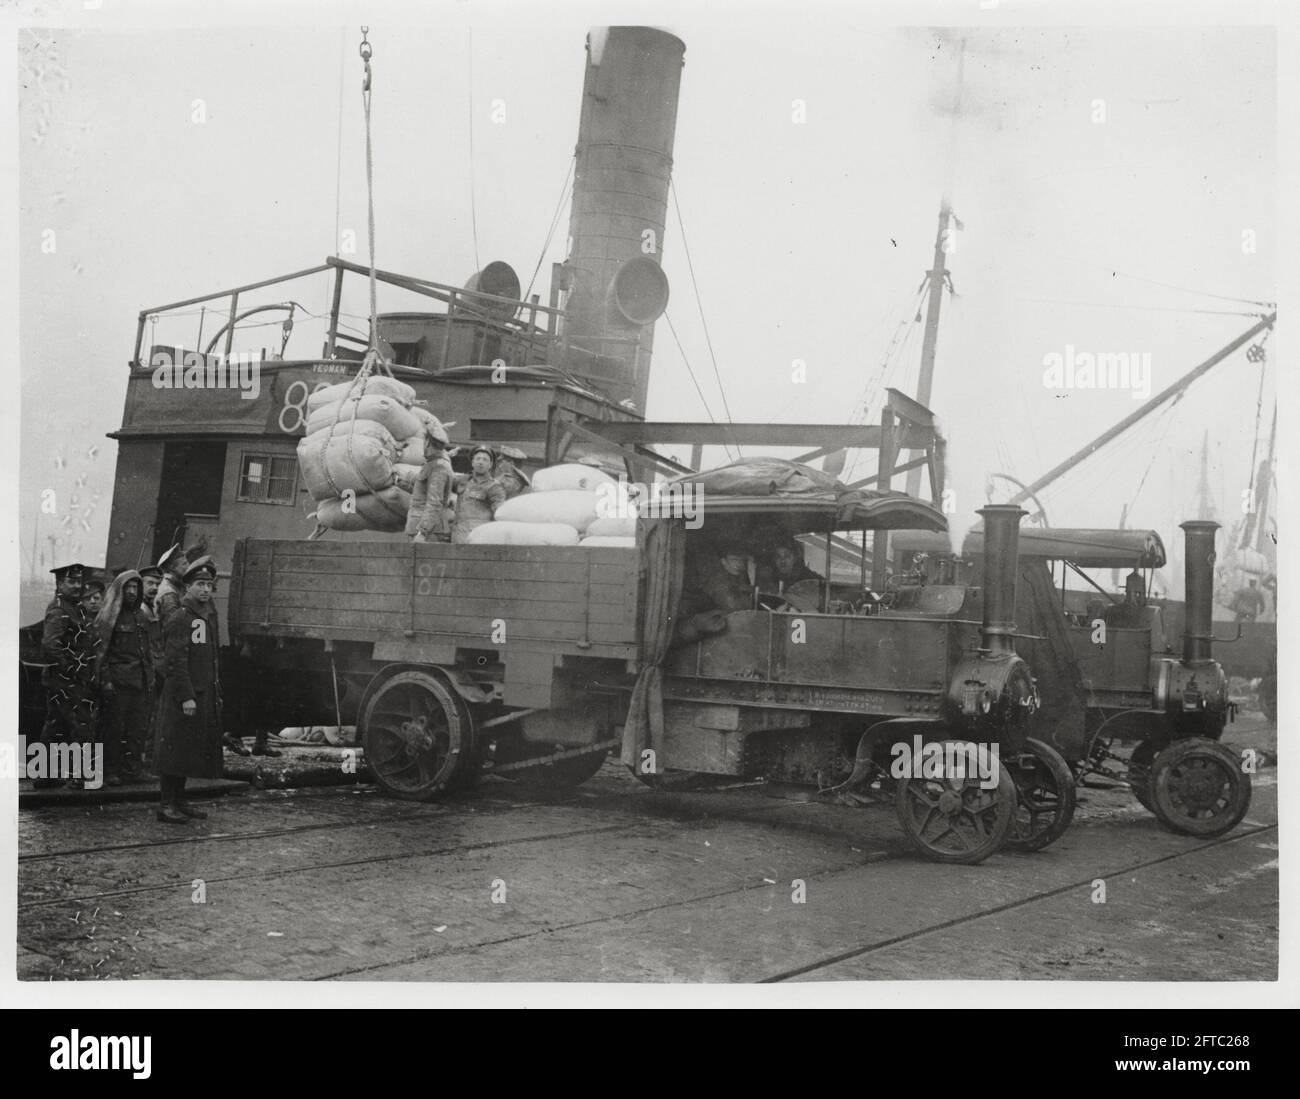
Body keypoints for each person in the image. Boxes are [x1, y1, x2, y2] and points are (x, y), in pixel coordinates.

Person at [154, 558, 224, 823]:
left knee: (187, 750)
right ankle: (166, 804)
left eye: (209, 584)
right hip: (183, 696)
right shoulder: (182, 617)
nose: (206, 589)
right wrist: (186, 696)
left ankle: (179, 800)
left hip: (201, 694)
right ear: (187, 587)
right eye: (200, 584)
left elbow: (210, 658)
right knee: (173, 748)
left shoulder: (204, 616)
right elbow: (175, 660)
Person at [37, 563, 99, 789]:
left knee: (55, 725)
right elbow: (50, 646)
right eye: (71, 582)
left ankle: (46, 775)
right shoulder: (60, 610)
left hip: (63, 680)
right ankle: (80, 777)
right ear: (59, 584)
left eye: (78, 581)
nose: (76, 586)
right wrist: (72, 670)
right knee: (81, 724)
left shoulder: (74, 608)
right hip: (66, 681)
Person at [94, 571, 155, 785]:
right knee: (113, 728)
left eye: (135, 588)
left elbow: (147, 650)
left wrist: (151, 678)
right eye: (127, 587)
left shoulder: (142, 615)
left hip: (140, 681)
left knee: (137, 728)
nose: (131, 592)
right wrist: (106, 681)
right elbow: (101, 652)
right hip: (118, 682)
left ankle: (132, 770)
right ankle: (109, 770)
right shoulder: (109, 615)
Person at [406, 424, 454, 543]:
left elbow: (434, 502)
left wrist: (423, 532)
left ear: (427, 443)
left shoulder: (438, 467)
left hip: (428, 532)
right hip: (424, 529)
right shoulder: (431, 465)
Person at [452, 445, 507, 543]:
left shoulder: (494, 486)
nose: (480, 462)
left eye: (485, 460)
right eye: (478, 459)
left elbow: (500, 514)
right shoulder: (463, 480)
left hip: (478, 538)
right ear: (472, 462)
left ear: (490, 465)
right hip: (458, 536)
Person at [757, 539, 823, 591]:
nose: (782, 561)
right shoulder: (773, 578)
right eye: (778, 556)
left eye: (787, 556)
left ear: (795, 557)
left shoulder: (808, 577)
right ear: (774, 560)